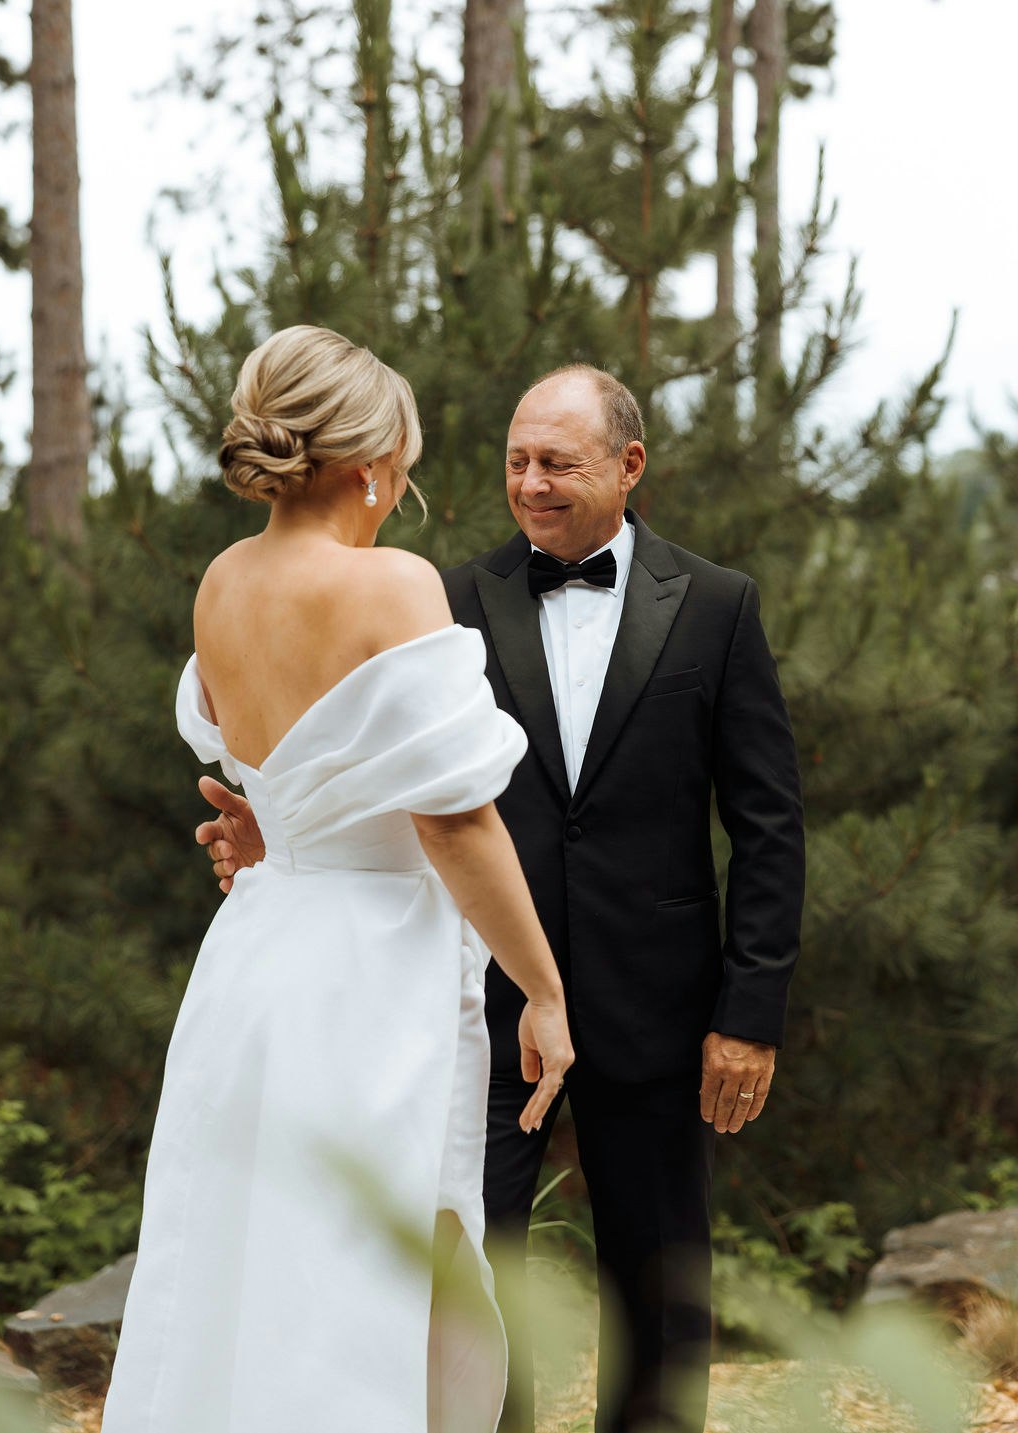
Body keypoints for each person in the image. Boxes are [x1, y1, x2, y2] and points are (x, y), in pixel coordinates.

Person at [199, 365, 806, 1433]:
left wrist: (747, 1012)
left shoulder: (718, 606)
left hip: (656, 1000)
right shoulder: (444, 595)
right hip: (469, 997)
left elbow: (767, 824)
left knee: (661, 1275)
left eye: (557, 463)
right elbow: (399, 787)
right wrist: (281, 830)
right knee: (466, 1268)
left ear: (629, 464)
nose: (530, 483)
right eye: (517, 461)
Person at [101, 325, 573, 1433]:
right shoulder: (392, 583)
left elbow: (287, 779)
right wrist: (543, 988)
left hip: (256, 957)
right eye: (404, 463)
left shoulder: (223, 581)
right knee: (353, 1268)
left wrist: (272, 834)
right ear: (370, 463)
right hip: (369, 975)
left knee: (245, 1255)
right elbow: (453, 820)